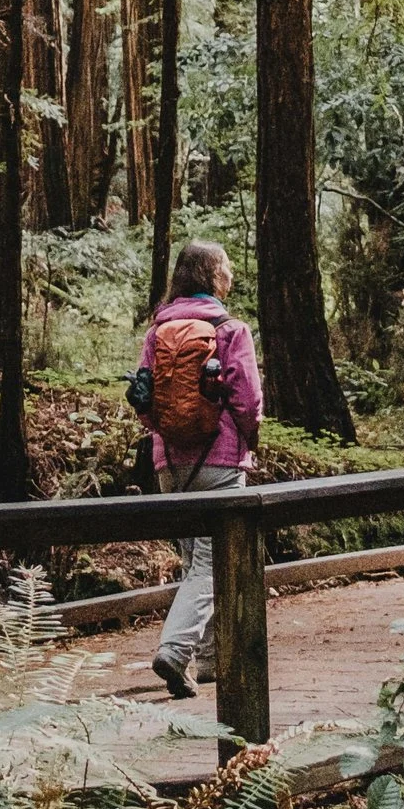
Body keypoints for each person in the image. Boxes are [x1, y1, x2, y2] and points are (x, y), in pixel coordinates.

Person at [133, 239, 261, 699]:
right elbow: (247, 399)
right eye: (225, 267)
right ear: (211, 276)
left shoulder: (157, 332)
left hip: (171, 463)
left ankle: (209, 662)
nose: (230, 275)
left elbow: (144, 401)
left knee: (194, 558)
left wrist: (165, 440)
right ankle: (176, 650)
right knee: (212, 564)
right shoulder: (230, 330)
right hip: (221, 459)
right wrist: (249, 437)